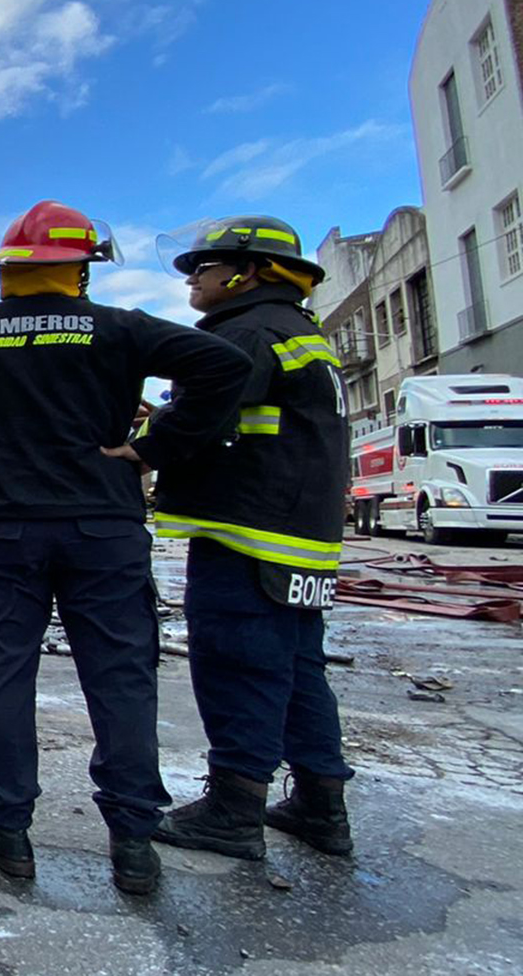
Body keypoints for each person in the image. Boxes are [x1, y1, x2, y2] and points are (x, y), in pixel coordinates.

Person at [0, 199, 251, 894]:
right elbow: (223, 366)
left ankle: (9, 828)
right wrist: (150, 450)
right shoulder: (120, 329)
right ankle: (134, 840)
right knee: (120, 679)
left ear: (10, 268)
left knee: (2, 676)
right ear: (79, 268)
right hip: (103, 528)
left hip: (4, 528)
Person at [150, 216, 355, 860]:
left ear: (250, 272)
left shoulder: (246, 332)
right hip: (298, 538)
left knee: (238, 665)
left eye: (205, 267)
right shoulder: (297, 332)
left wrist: (136, 450)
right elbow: (247, 415)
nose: (195, 277)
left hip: (249, 534)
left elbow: (204, 422)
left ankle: (234, 810)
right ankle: (322, 806)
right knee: (298, 672)